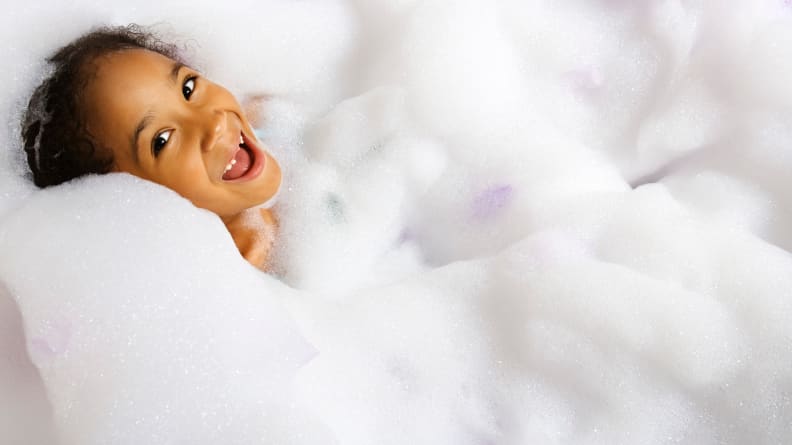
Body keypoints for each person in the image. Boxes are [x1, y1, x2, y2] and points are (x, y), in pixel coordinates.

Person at [21, 25, 282, 270]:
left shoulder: (278, 118)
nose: (213, 124)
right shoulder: (239, 284)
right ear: (131, 199)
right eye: (162, 141)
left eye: (188, 88)